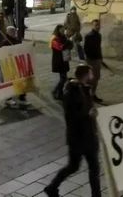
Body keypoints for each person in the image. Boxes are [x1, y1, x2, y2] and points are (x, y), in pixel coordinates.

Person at [44, 65, 100, 197]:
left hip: (89, 136)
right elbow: (71, 115)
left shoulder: (84, 88)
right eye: (90, 72)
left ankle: (96, 195)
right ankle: (52, 186)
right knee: (73, 167)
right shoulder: (72, 91)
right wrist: (88, 114)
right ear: (86, 74)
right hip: (78, 138)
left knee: (94, 168)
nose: (92, 75)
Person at [50, 24, 73, 101]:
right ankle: (55, 91)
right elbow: (60, 47)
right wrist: (69, 42)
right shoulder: (54, 39)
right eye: (62, 30)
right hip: (58, 61)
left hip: (64, 59)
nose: (63, 31)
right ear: (58, 30)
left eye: (64, 30)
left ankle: (60, 94)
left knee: (63, 77)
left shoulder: (64, 37)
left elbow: (69, 46)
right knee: (63, 78)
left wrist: (70, 43)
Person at [83, 19, 104, 103]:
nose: (98, 27)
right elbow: (86, 50)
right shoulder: (89, 36)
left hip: (97, 59)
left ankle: (92, 94)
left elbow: (98, 47)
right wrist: (90, 61)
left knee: (96, 78)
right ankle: (87, 95)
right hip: (91, 60)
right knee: (91, 79)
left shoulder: (99, 35)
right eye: (96, 25)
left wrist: (100, 57)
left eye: (99, 25)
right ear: (92, 26)